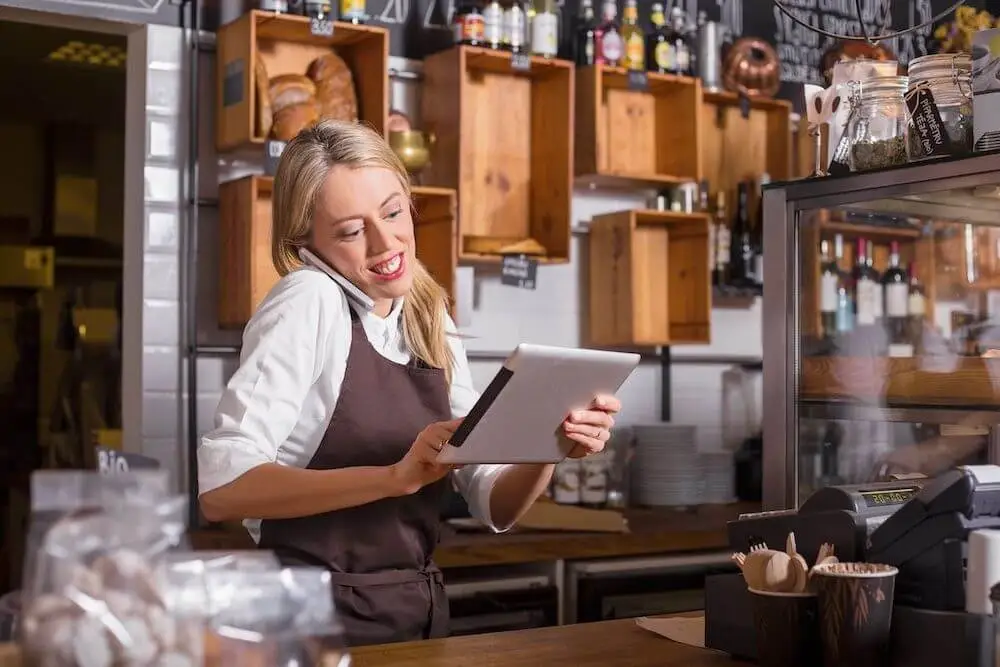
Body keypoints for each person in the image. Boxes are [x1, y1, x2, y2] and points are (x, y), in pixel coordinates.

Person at [197, 120, 622, 648]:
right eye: (352, 231)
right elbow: (221, 490)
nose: (386, 243)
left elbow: (494, 502)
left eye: (393, 212)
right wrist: (394, 477)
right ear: (305, 241)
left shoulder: (425, 311)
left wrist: (547, 446)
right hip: (314, 627)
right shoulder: (308, 300)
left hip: (414, 618)